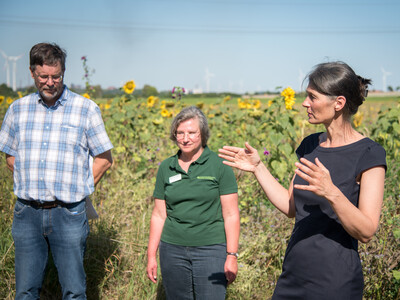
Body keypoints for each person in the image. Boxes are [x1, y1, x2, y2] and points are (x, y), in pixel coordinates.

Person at [218, 62, 386, 299]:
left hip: (335, 282)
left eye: (312, 97)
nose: (305, 103)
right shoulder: (310, 145)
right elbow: (290, 206)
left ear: (338, 103)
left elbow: (367, 231)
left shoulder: (369, 153)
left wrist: (331, 192)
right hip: (294, 275)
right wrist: (258, 168)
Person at [0, 43, 113, 299]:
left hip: (69, 213)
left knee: (74, 291)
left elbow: (104, 159)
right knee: (25, 291)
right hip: (26, 213)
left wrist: (79, 190)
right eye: (44, 77)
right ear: (32, 73)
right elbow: (10, 155)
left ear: (63, 72)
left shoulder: (85, 109)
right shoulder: (17, 109)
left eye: (56, 76)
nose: (50, 82)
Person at [146, 106, 240, 299]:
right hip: (172, 249)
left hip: (211, 249)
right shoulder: (166, 167)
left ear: (203, 134)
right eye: (180, 133)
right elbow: (158, 214)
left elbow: (231, 214)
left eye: (191, 133)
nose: (185, 138)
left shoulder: (220, 166)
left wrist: (231, 255)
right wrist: (151, 255)